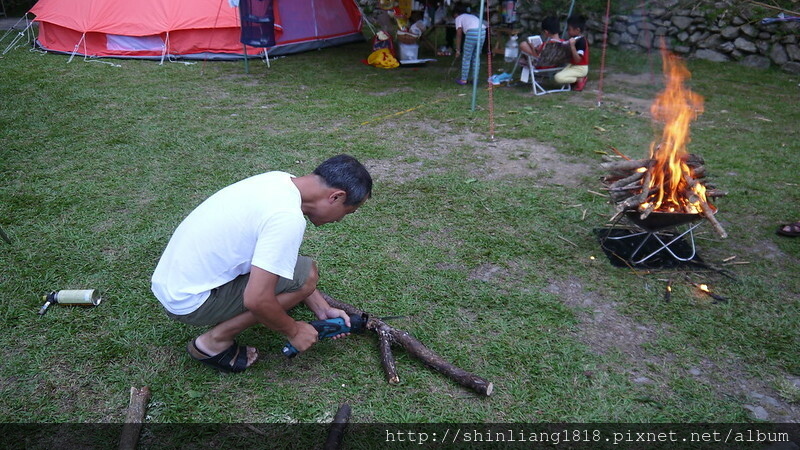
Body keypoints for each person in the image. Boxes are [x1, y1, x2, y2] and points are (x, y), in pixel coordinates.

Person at [151, 154, 373, 373]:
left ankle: (223, 324)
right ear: (336, 196)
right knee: (306, 275)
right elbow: (257, 299)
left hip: (171, 282)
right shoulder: (287, 217)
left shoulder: (278, 180)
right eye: (347, 212)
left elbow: (273, 255)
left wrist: (322, 309)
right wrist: (294, 330)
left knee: (301, 274)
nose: (339, 220)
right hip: (189, 301)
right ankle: (213, 342)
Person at [453, 4, 486, 85]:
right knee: (476, 56)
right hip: (482, 31)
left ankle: (463, 79)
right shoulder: (471, 16)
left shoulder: (458, 18)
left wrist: (458, 50)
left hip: (472, 33)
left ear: (456, 13)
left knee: (467, 57)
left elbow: (459, 35)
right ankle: (475, 79)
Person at [554, 15, 589, 91]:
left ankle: (579, 79)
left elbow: (578, 60)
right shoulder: (574, 39)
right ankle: (576, 80)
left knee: (558, 77)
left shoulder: (581, 41)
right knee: (559, 75)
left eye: (569, 29)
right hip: (572, 65)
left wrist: (572, 46)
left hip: (580, 67)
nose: (568, 32)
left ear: (577, 30)